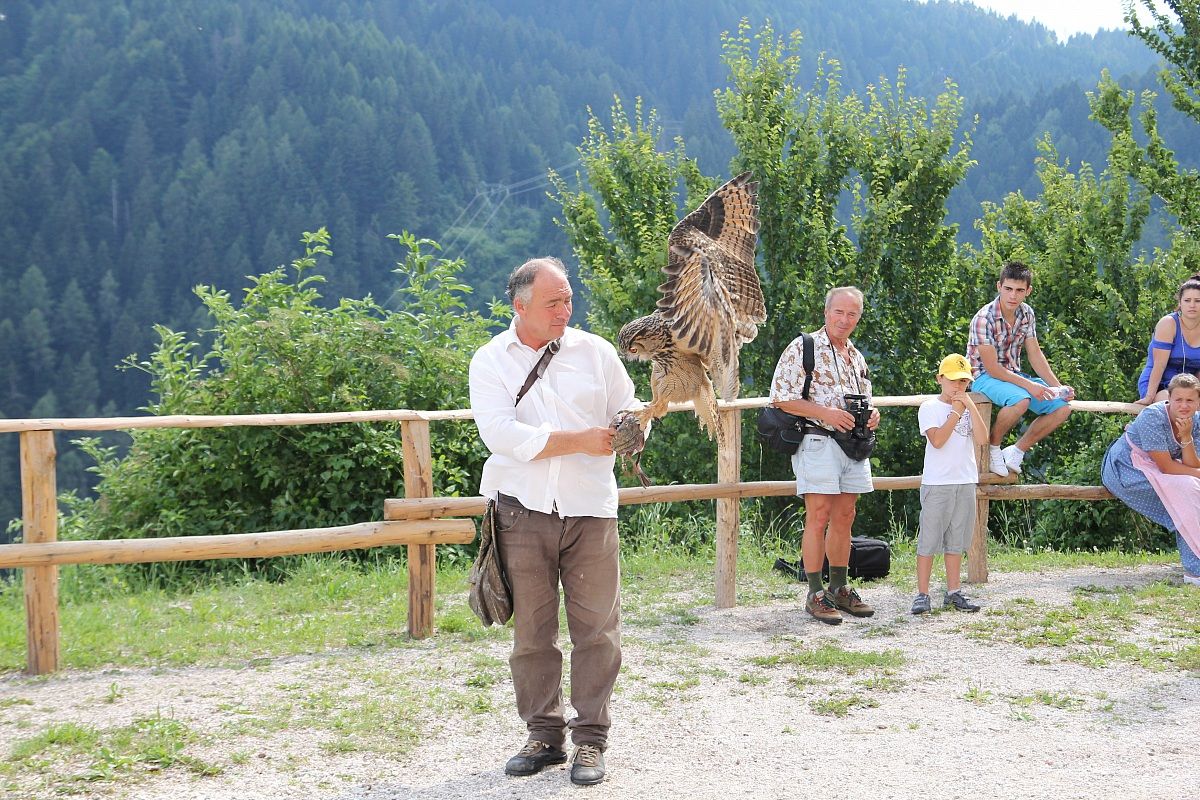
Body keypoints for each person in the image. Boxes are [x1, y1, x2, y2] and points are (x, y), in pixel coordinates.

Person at [468, 257, 638, 786]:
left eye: (568, 299)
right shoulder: (490, 360)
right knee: (532, 634)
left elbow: (628, 409)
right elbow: (503, 437)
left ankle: (591, 741)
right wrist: (581, 441)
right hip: (521, 510)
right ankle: (543, 735)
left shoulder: (597, 351)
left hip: (591, 508)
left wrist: (632, 430)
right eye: (553, 302)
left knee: (598, 632)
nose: (567, 309)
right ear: (519, 307)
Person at [770, 286, 881, 625]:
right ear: (826, 312)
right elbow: (781, 398)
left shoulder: (856, 357)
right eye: (839, 312)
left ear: (858, 318)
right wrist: (827, 414)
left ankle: (840, 587)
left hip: (853, 444)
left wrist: (872, 415)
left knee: (846, 515)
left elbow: (863, 400)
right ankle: (815, 592)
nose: (845, 319)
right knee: (818, 516)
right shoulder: (803, 346)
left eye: (852, 314)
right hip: (817, 440)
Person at [967, 261, 1073, 477]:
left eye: (1019, 290)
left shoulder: (1027, 314)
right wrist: (1030, 385)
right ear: (999, 287)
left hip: (1014, 375)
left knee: (1062, 408)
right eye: (1008, 289)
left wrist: (1058, 387)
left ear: (1028, 291)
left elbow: (1035, 354)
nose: (1012, 296)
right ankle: (993, 447)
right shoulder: (983, 318)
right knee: (1021, 399)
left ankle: (1016, 450)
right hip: (983, 376)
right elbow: (992, 368)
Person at [1102, 373, 1200, 586]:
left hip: (1166, 470)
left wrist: (1186, 438)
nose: (1184, 405)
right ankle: (1195, 570)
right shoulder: (1153, 416)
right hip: (1128, 468)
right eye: (1179, 399)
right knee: (1186, 494)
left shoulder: (1196, 421)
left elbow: (1193, 465)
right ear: (1169, 398)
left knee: (1191, 488)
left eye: (1190, 400)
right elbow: (1166, 466)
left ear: (1198, 402)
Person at [912, 354, 989, 614]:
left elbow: (982, 438)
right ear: (940, 379)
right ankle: (922, 594)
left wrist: (970, 406)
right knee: (929, 540)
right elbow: (938, 440)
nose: (959, 386)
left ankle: (953, 591)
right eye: (954, 380)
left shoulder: (967, 405)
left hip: (965, 480)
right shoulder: (930, 407)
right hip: (938, 483)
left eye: (964, 381)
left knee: (957, 540)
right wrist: (956, 412)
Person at [1135, 273, 1200, 405]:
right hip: (1161, 383)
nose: (1192, 305)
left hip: (1190, 386)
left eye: (1198, 301)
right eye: (1187, 300)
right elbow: (1159, 365)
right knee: (1175, 406)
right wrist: (1149, 397)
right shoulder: (1168, 323)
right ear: (1180, 302)